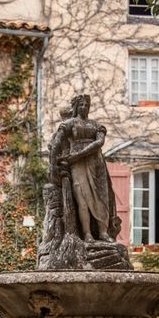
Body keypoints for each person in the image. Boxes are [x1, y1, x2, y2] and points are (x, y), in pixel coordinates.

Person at [48, 94, 116, 242]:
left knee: (101, 198)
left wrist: (78, 154)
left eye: (86, 105)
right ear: (76, 107)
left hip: (95, 163)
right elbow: (56, 141)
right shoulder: (69, 123)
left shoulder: (96, 125)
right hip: (77, 165)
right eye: (81, 105)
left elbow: (99, 143)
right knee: (82, 198)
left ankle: (103, 232)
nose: (84, 108)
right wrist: (54, 163)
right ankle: (86, 233)